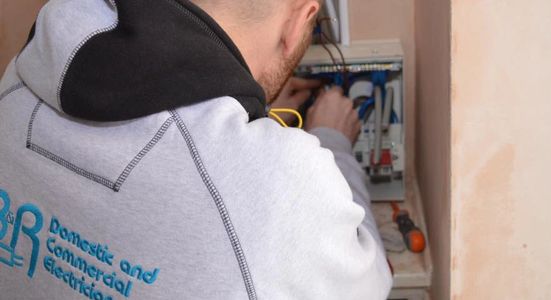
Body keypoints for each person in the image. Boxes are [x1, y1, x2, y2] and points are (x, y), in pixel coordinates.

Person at [0, 0, 393, 299]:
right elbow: (371, 283)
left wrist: (244, 113)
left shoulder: (21, 76)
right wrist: (334, 142)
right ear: (299, 19)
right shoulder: (287, 182)